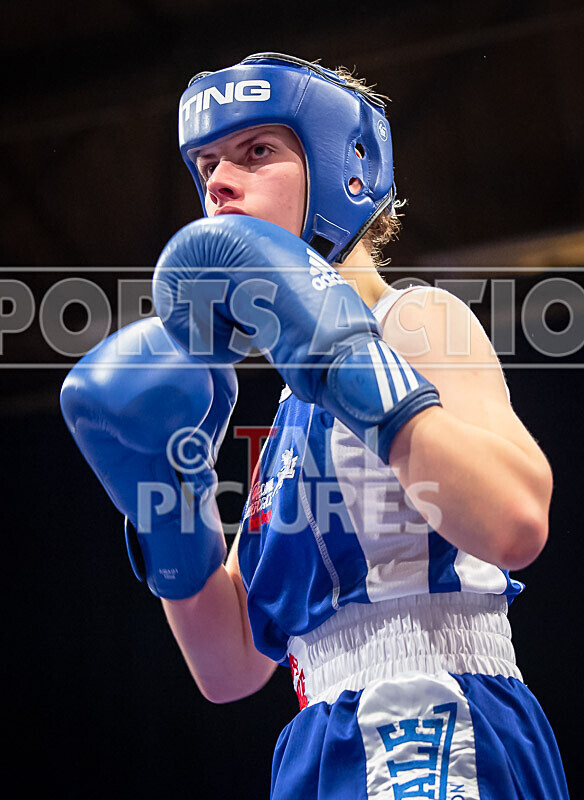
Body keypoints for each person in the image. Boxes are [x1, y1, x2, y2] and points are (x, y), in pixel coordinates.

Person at [61, 53, 569, 798]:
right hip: (318, 741)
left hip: (432, 714)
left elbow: (516, 521)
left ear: (345, 168)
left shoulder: (416, 320)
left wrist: (361, 373)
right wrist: (164, 492)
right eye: (206, 164)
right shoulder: (292, 419)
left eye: (257, 151)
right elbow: (231, 665)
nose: (219, 182)